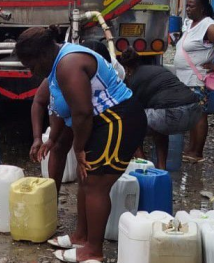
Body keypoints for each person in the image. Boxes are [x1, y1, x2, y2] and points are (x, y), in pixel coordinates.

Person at [14, 26, 146, 263]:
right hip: (105, 121)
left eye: (31, 65)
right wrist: (54, 140)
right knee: (85, 178)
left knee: (95, 184)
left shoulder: (68, 65)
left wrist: (78, 148)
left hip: (117, 120)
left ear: (43, 54)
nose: (32, 72)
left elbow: (82, 112)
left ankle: (93, 250)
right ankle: (81, 236)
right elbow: (60, 110)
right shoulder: (57, 65)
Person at [30, 40, 114, 194]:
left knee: (90, 161)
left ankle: (87, 196)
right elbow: (42, 101)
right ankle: (51, 199)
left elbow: (83, 112)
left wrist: (79, 147)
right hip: (74, 112)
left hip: (99, 115)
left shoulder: (113, 73)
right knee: (59, 146)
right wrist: (41, 138)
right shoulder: (64, 70)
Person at [174, 0, 214, 164]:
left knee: (199, 115)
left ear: (202, 8)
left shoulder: (207, 25)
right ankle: (191, 149)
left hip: (196, 79)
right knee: (192, 115)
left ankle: (197, 152)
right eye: (187, 5)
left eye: (191, 6)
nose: (188, 9)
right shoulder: (192, 24)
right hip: (185, 79)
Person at [120, 48, 200, 170]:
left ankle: (143, 167)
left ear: (126, 69)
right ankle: (161, 168)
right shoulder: (159, 69)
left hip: (173, 114)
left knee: (129, 124)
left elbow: (132, 110)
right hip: (194, 113)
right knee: (159, 129)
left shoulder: (135, 79)